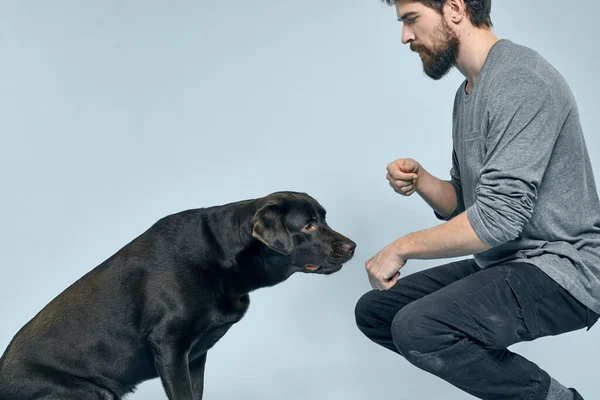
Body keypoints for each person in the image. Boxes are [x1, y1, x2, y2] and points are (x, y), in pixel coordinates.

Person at [353, 1, 600, 399]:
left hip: (568, 265)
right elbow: (471, 206)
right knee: (377, 313)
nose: (405, 37)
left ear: (454, 8)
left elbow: (497, 221)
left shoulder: (521, 79)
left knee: (420, 327)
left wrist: (401, 249)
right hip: (509, 258)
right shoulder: (467, 93)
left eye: (411, 19)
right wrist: (423, 182)